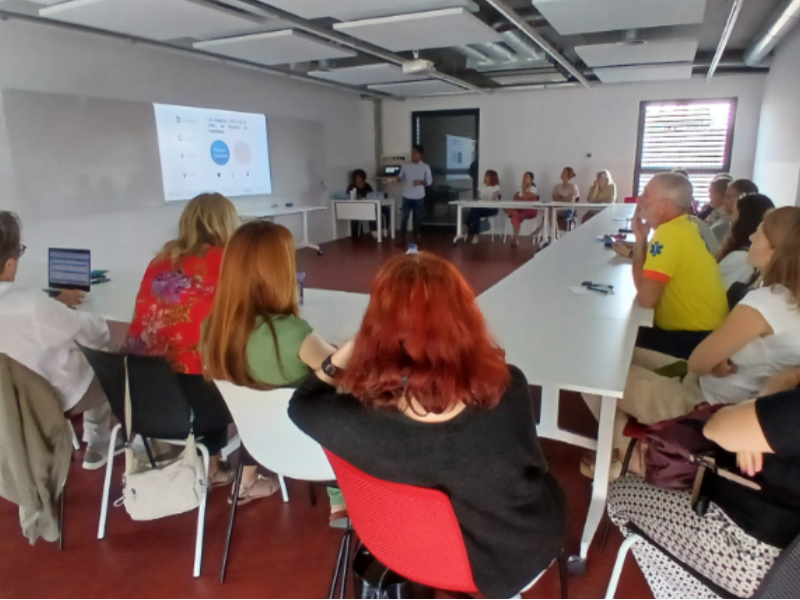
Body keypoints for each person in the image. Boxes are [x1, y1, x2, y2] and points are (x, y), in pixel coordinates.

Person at [288, 253, 567, 599]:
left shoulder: (357, 423)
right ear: (463, 319)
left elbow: (301, 405)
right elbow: (531, 471)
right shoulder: (507, 389)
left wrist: (348, 350)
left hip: (401, 550)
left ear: (378, 331)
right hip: (509, 561)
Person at [610, 207, 800, 462]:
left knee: (596, 374)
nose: (751, 237)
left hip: (702, 404)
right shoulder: (789, 300)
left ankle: (630, 459)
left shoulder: (770, 302)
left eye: (759, 233)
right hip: (711, 388)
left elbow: (698, 362)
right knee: (618, 356)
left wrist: (713, 360)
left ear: (775, 251)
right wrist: (717, 359)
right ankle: (625, 445)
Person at [608, 368, 800, 599]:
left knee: (618, 495)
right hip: (784, 572)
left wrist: (775, 390)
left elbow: (717, 428)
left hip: (752, 550)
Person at [202, 221, 342, 518]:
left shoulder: (212, 329)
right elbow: (347, 375)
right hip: (317, 451)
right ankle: (340, 500)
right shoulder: (292, 334)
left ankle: (248, 480)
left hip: (263, 444)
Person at [125, 193, 240, 488]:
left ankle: (205, 461)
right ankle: (219, 468)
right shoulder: (228, 262)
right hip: (200, 402)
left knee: (201, 363)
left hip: (144, 395)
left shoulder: (160, 260)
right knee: (223, 367)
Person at [0, 212, 112, 471]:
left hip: (9, 404)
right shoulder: (32, 306)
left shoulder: (32, 306)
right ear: (10, 264)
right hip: (53, 398)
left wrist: (55, 306)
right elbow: (95, 331)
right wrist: (59, 310)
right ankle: (98, 442)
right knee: (108, 354)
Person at [632, 173, 729, 360]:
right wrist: (640, 240)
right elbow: (644, 288)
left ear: (664, 205)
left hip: (691, 342)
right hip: (703, 335)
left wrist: (640, 243)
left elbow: (645, 299)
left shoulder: (669, 234)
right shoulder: (685, 226)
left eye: (646, 194)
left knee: (614, 348)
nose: (639, 199)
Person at [717, 194, 775, 289]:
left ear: (744, 221)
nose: (731, 219)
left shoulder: (741, 258)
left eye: (734, 213)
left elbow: (713, 289)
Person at [395, 145, 432, 247]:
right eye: (412, 152)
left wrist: (420, 182)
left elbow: (429, 181)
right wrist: (396, 179)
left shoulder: (425, 167)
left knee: (417, 217)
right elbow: (400, 177)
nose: (413, 155)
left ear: (420, 155)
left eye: (415, 153)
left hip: (419, 197)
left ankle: (417, 235)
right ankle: (401, 237)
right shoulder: (405, 165)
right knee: (404, 217)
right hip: (407, 195)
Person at [710, 178, 760, 244]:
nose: (724, 201)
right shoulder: (723, 219)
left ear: (743, 199)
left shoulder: (747, 231)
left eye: (728, 197)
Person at [347, 169, 390, 241]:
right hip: (358, 208)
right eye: (356, 177)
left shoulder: (367, 186)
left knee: (386, 209)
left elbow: (371, 195)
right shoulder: (352, 187)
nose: (358, 179)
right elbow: (348, 196)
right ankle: (374, 230)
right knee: (373, 212)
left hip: (370, 205)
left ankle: (385, 228)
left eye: (359, 177)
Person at [465, 170, 501, 245]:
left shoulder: (496, 187)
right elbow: (478, 198)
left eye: (488, 177)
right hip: (481, 208)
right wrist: (481, 200)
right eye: (486, 176)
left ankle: (466, 226)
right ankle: (475, 235)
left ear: (492, 178)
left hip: (492, 208)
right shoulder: (481, 186)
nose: (486, 178)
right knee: (475, 211)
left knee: (474, 211)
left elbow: (493, 199)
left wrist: (484, 200)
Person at [505, 172, 540, 247]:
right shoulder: (519, 188)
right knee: (509, 210)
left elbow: (525, 197)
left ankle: (516, 238)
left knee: (516, 215)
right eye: (523, 177)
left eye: (526, 177)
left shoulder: (534, 189)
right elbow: (515, 198)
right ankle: (516, 239)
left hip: (530, 210)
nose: (524, 179)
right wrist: (521, 192)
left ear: (531, 180)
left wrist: (523, 189)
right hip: (519, 209)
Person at [553, 167, 580, 232]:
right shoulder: (557, 187)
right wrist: (565, 198)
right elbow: (554, 198)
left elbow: (571, 200)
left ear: (569, 175)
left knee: (552, 214)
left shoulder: (573, 187)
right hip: (558, 208)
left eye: (564, 173)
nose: (562, 174)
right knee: (550, 213)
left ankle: (556, 234)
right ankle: (556, 233)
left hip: (568, 210)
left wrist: (560, 197)